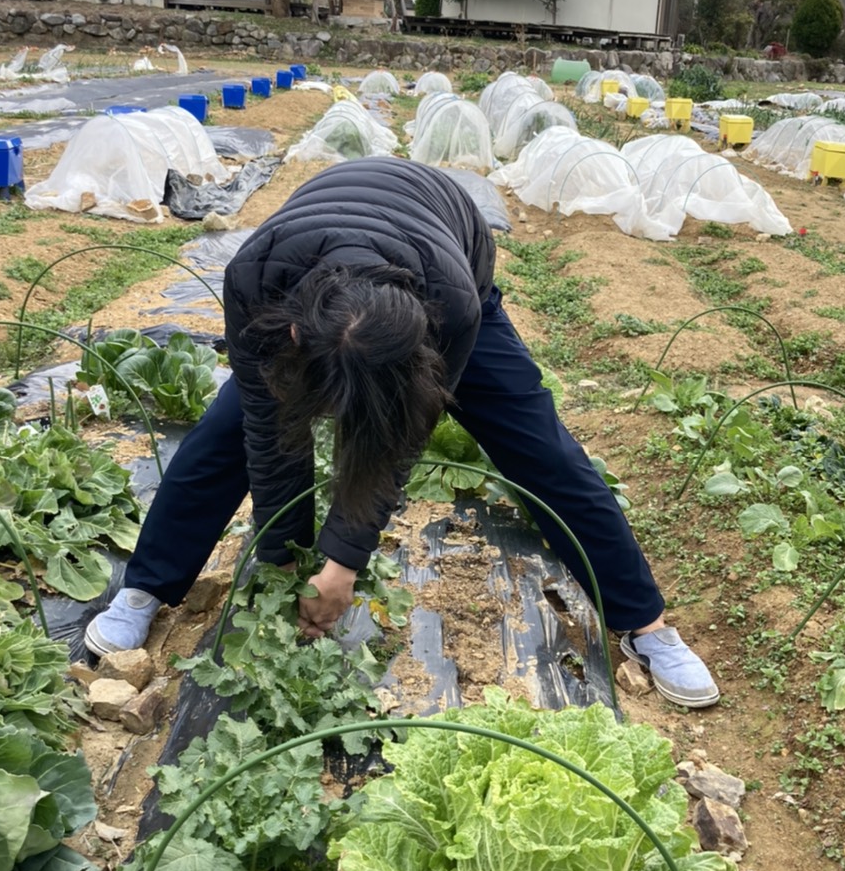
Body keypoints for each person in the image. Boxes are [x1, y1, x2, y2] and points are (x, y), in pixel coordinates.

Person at [86, 159, 719, 709]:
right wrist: (285, 564)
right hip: (311, 260)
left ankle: (647, 624)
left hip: (448, 259)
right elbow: (271, 434)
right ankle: (146, 586)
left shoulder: (452, 310)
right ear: (295, 337)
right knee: (226, 434)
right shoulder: (255, 279)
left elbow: (397, 447)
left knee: (541, 449)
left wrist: (343, 562)